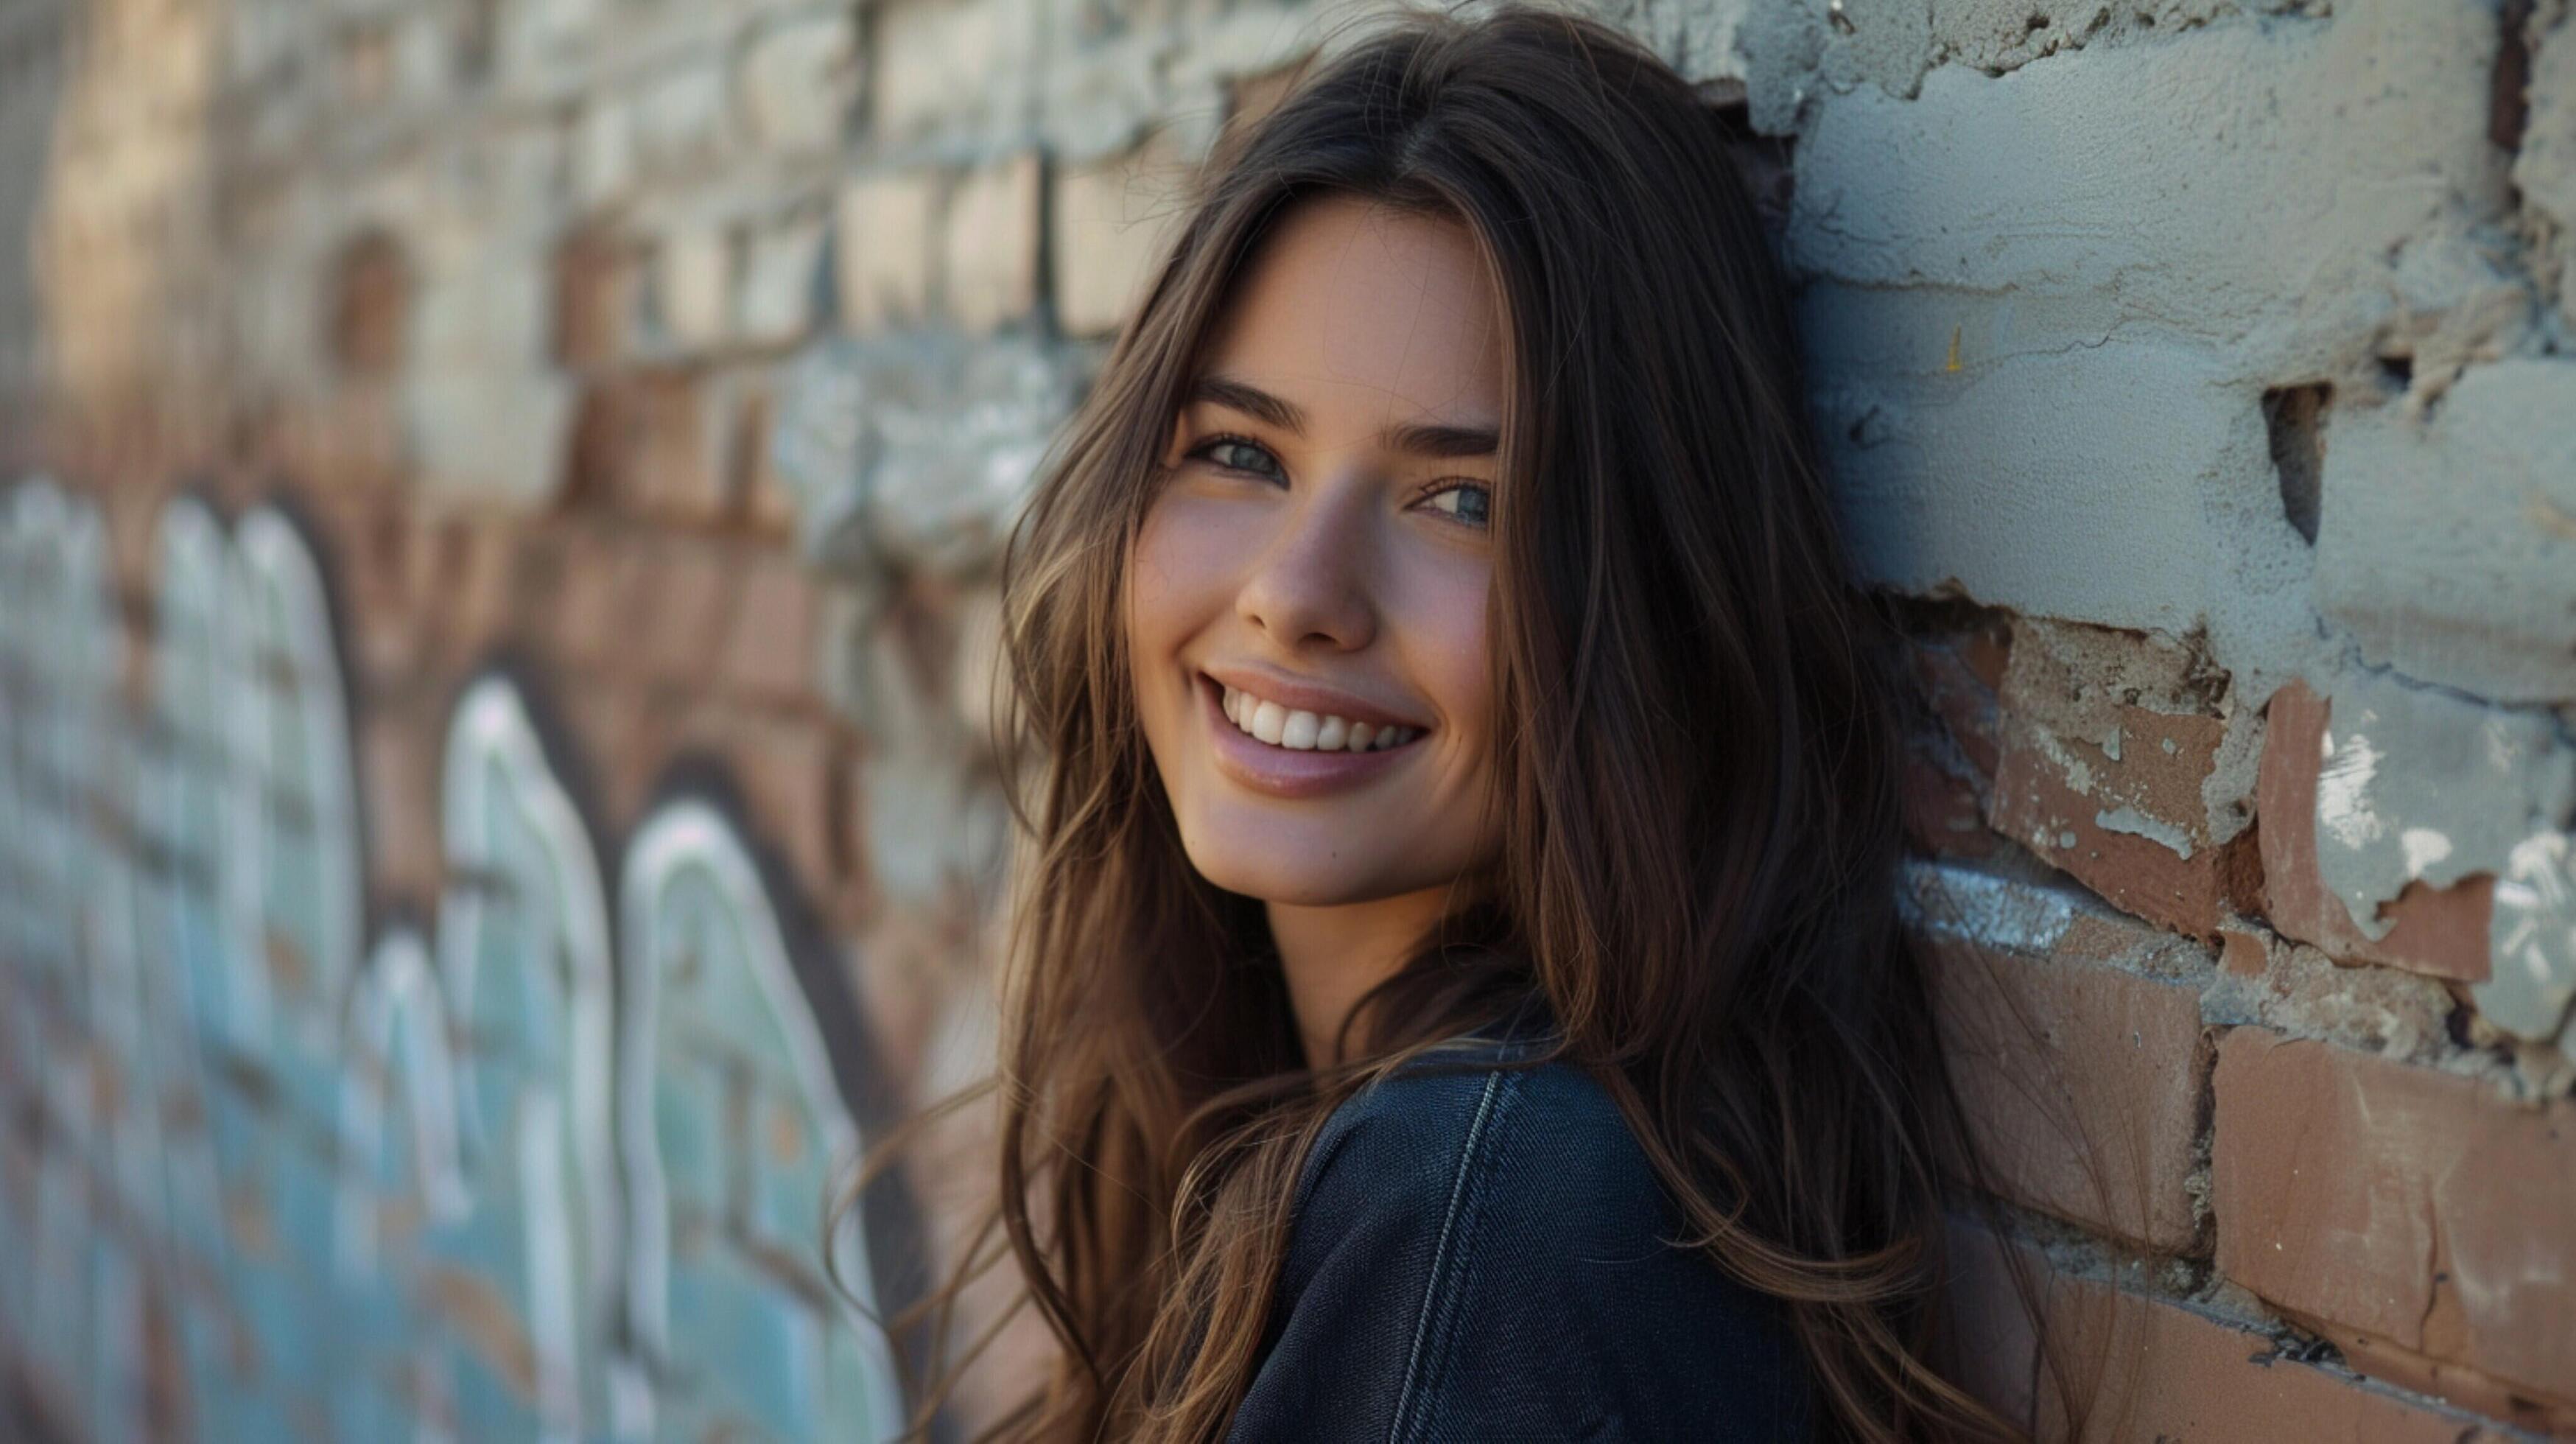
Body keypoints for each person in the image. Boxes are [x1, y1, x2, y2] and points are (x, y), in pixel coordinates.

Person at [870, 7, 2033, 1439]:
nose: (1298, 597)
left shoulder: (1483, 1226)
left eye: (1464, 500)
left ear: (1658, 592)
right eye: (1240, 451)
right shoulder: (1389, 1158)